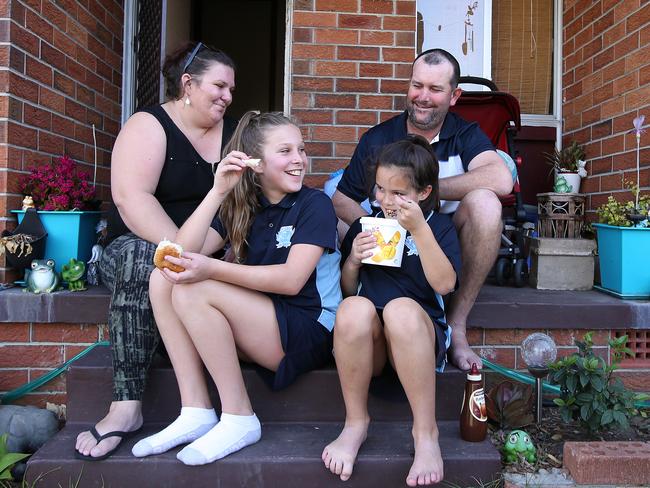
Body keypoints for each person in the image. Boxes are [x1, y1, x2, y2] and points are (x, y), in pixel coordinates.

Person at [130, 111, 341, 465]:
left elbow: (291, 281)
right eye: (285, 151)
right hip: (262, 319)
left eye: (301, 150)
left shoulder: (314, 204)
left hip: (308, 328)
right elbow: (182, 250)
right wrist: (217, 191)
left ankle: (240, 416)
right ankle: (196, 409)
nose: (299, 160)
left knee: (194, 288)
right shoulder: (243, 205)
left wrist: (213, 268)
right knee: (163, 279)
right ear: (256, 164)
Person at [75, 42, 238, 461]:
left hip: (207, 246)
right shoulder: (149, 125)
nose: (227, 96)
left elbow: (238, 205)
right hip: (136, 243)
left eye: (231, 89)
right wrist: (176, 251)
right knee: (141, 259)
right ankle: (126, 406)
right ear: (188, 83)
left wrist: (201, 250)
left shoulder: (234, 133)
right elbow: (132, 199)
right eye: (219, 86)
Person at [331, 48, 514, 371]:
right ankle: (358, 322)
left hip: (446, 238)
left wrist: (420, 191)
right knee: (333, 214)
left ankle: (456, 327)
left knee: (485, 203)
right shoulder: (380, 138)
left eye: (435, 89)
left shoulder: (465, 133)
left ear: (454, 95)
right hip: (390, 247)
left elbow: (500, 179)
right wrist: (377, 224)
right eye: (417, 86)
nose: (422, 97)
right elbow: (341, 198)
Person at [322, 136, 461, 486]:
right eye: (381, 189)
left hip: (417, 338)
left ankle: (425, 433)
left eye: (399, 194)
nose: (385, 200)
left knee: (400, 310)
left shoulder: (438, 228)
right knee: (352, 308)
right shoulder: (366, 225)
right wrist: (353, 259)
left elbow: (445, 285)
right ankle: (355, 423)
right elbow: (347, 290)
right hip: (374, 347)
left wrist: (419, 229)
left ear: (424, 193)